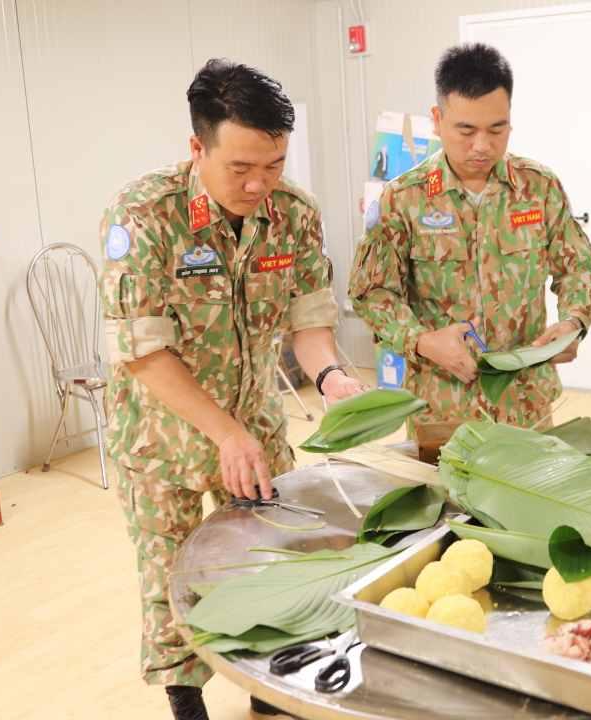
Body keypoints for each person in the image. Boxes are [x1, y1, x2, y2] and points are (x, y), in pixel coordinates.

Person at [99, 59, 366, 720]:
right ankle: (186, 701)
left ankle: (269, 691)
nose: (258, 184)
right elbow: (143, 351)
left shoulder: (296, 215)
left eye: (273, 165)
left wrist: (332, 375)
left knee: (273, 561)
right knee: (172, 580)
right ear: (198, 147)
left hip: (255, 426)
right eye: (239, 168)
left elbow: (309, 323)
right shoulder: (145, 216)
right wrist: (223, 431)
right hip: (163, 437)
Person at [349, 42, 591, 429]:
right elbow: (372, 291)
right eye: (465, 130)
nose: (482, 146)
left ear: (510, 119)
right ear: (437, 120)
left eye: (496, 129)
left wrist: (573, 321)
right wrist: (421, 341)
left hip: (525, 402)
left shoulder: (539, 188)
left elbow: (579, 267)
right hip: (440, 405)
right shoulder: (404, 197)